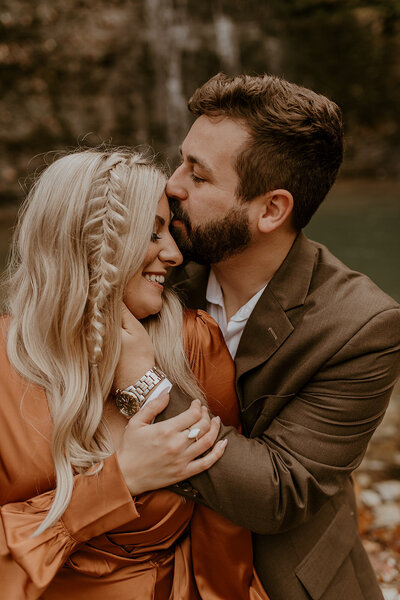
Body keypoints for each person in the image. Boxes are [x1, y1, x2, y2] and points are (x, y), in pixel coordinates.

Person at [151, 73, 400, 600]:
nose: (171, 185)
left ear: (271, 210)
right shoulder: (155, 266)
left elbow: (277, 494)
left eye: (197, 175)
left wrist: (140, 379)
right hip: (147, 565)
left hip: (283, 579)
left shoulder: (362, 325)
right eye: (181, 160)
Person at [0, 148, 268, 599]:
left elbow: (224, 524)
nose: (176, 255)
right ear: (84, 243)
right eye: (152, 233)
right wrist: (119, 482)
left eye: (172, 232)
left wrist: (146, 384)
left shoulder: (194, 344)